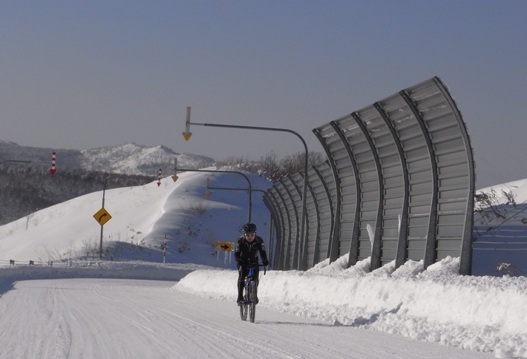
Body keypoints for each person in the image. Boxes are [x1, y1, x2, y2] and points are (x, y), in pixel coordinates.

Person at [234, 223, 269, 305]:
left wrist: (265, 261)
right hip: (242, 260)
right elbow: (236, 253)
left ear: (255, 234)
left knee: (255, 277)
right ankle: (239, 296)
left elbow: (262, 252)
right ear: (244, 235)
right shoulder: (240, 241)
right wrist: (238, 260)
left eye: (252, 235)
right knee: (242, 275)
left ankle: (254, 295)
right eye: (248, 235)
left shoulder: (259, 240)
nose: (250, 237)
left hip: (253, 260)